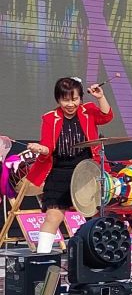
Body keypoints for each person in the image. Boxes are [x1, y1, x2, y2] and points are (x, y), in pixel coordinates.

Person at [27, 77, 113, 253]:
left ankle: (100, 255)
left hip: (86, 171)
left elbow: (106, 116)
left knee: (94, 215)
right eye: (65, 99)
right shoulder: (50, 118)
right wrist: (40, 148)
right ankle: (42, 258)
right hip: (60, 173)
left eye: (74, 99)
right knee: (53, 216)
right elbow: (48, 146)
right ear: (58, 99)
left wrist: (100, 97)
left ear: (81, 98)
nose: (70, 104)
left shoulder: (88, 111)